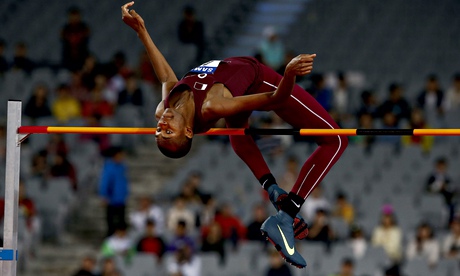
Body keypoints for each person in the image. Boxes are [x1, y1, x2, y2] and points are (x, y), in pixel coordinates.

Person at [122, 2, 348, 268]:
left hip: (236, 86)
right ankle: (287, 216)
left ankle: (271, 188)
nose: (162, 123)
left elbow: (166, 78)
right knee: (337, 139)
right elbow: (276, 97)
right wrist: (288, 72)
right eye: (168, 131)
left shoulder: (166, 106)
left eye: (159, 130)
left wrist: (142, 32)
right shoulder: (213, 105)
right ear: (188, 130)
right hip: (262, 81)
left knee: (238, 129)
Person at [99, 146, 129, 236]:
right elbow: (105, 183)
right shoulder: (109, 167)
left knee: (121, 222)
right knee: (111, 223)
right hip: (111, 200)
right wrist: (104, 196)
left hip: (121, 199)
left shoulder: (123, 166)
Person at [61, 7, 90, 71]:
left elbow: (86, 35)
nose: (74, 19)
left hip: (82, 57)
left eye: (76, 17)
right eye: (72, 17)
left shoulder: (84, 28)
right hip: (69, 58)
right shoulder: (66, 29)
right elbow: (63, 37)